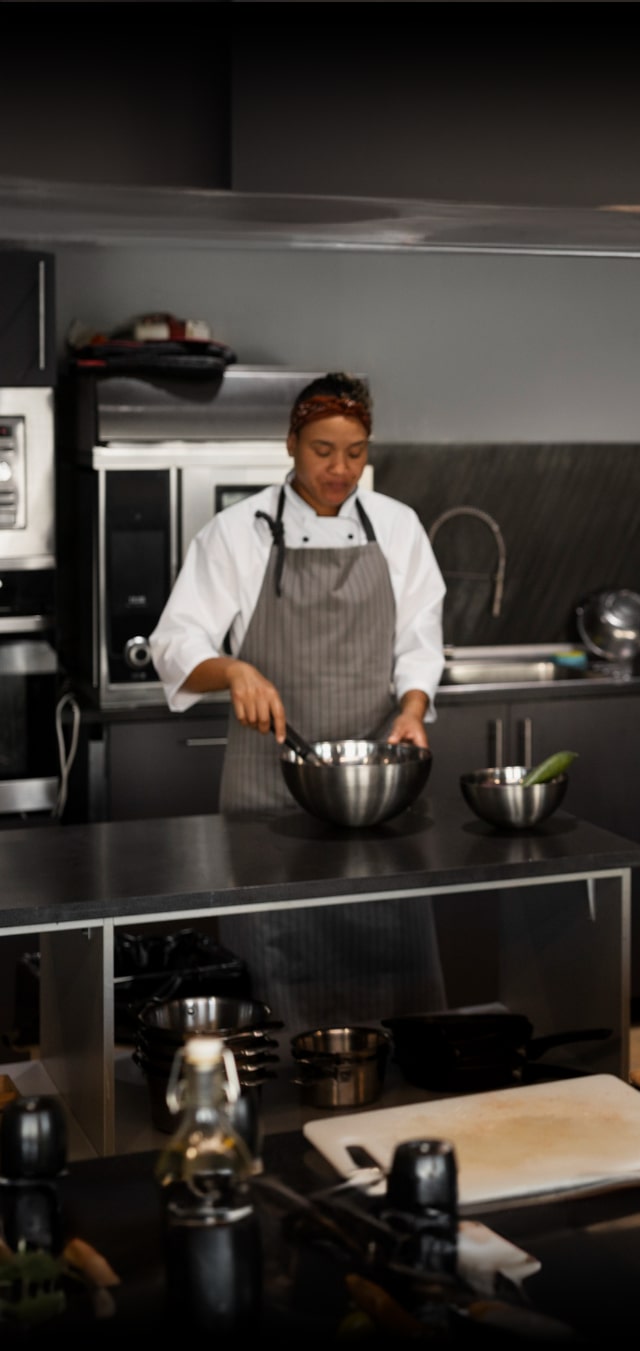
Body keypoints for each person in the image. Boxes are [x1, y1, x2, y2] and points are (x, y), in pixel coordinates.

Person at [150, 372, 450, 1032]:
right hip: (268, 801)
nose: (340, 469)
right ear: (290, 443)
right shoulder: (237, 533)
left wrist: (412, 708)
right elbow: (175, 644)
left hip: (376, 800)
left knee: (390, 982)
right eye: (322, 450)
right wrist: (231, 670)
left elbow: (421, 640)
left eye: (356, 451)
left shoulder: (398, 529)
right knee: (273, 982)